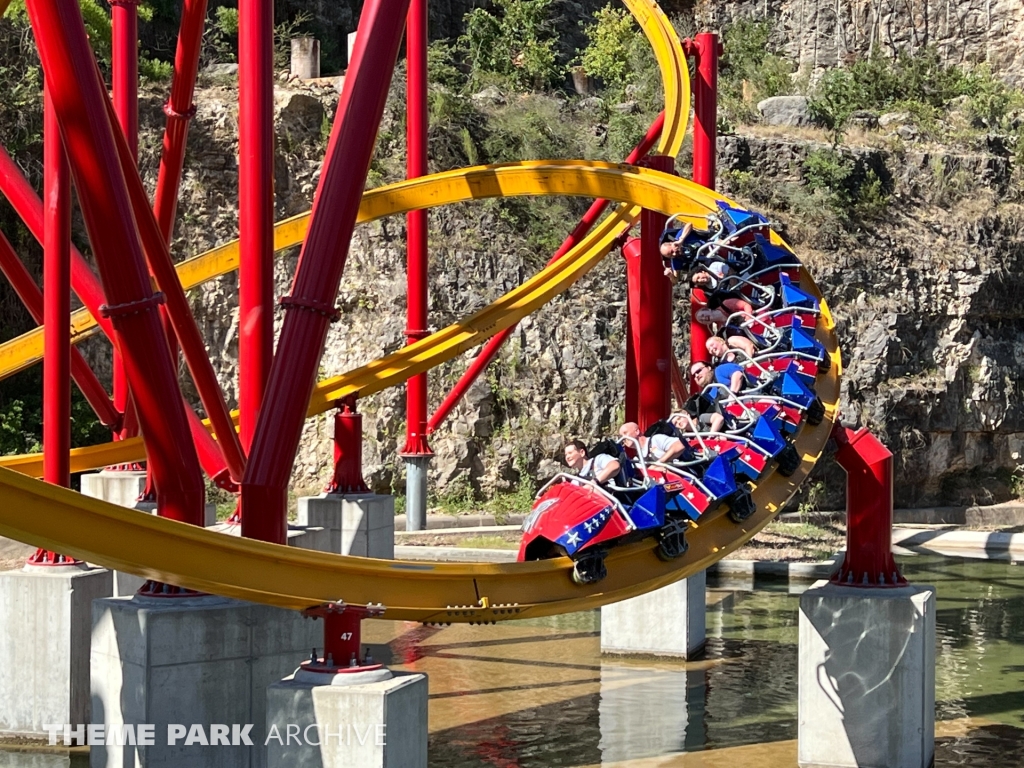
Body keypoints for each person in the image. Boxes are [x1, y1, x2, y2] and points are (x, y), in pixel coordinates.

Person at [618, 422, 687, 463]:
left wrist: (658, 463)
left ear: (637, 431)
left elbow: (679, 445)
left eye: (625, 433)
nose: (623, 438)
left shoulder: (656, 439)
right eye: (621, 436)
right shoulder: (637, 459)